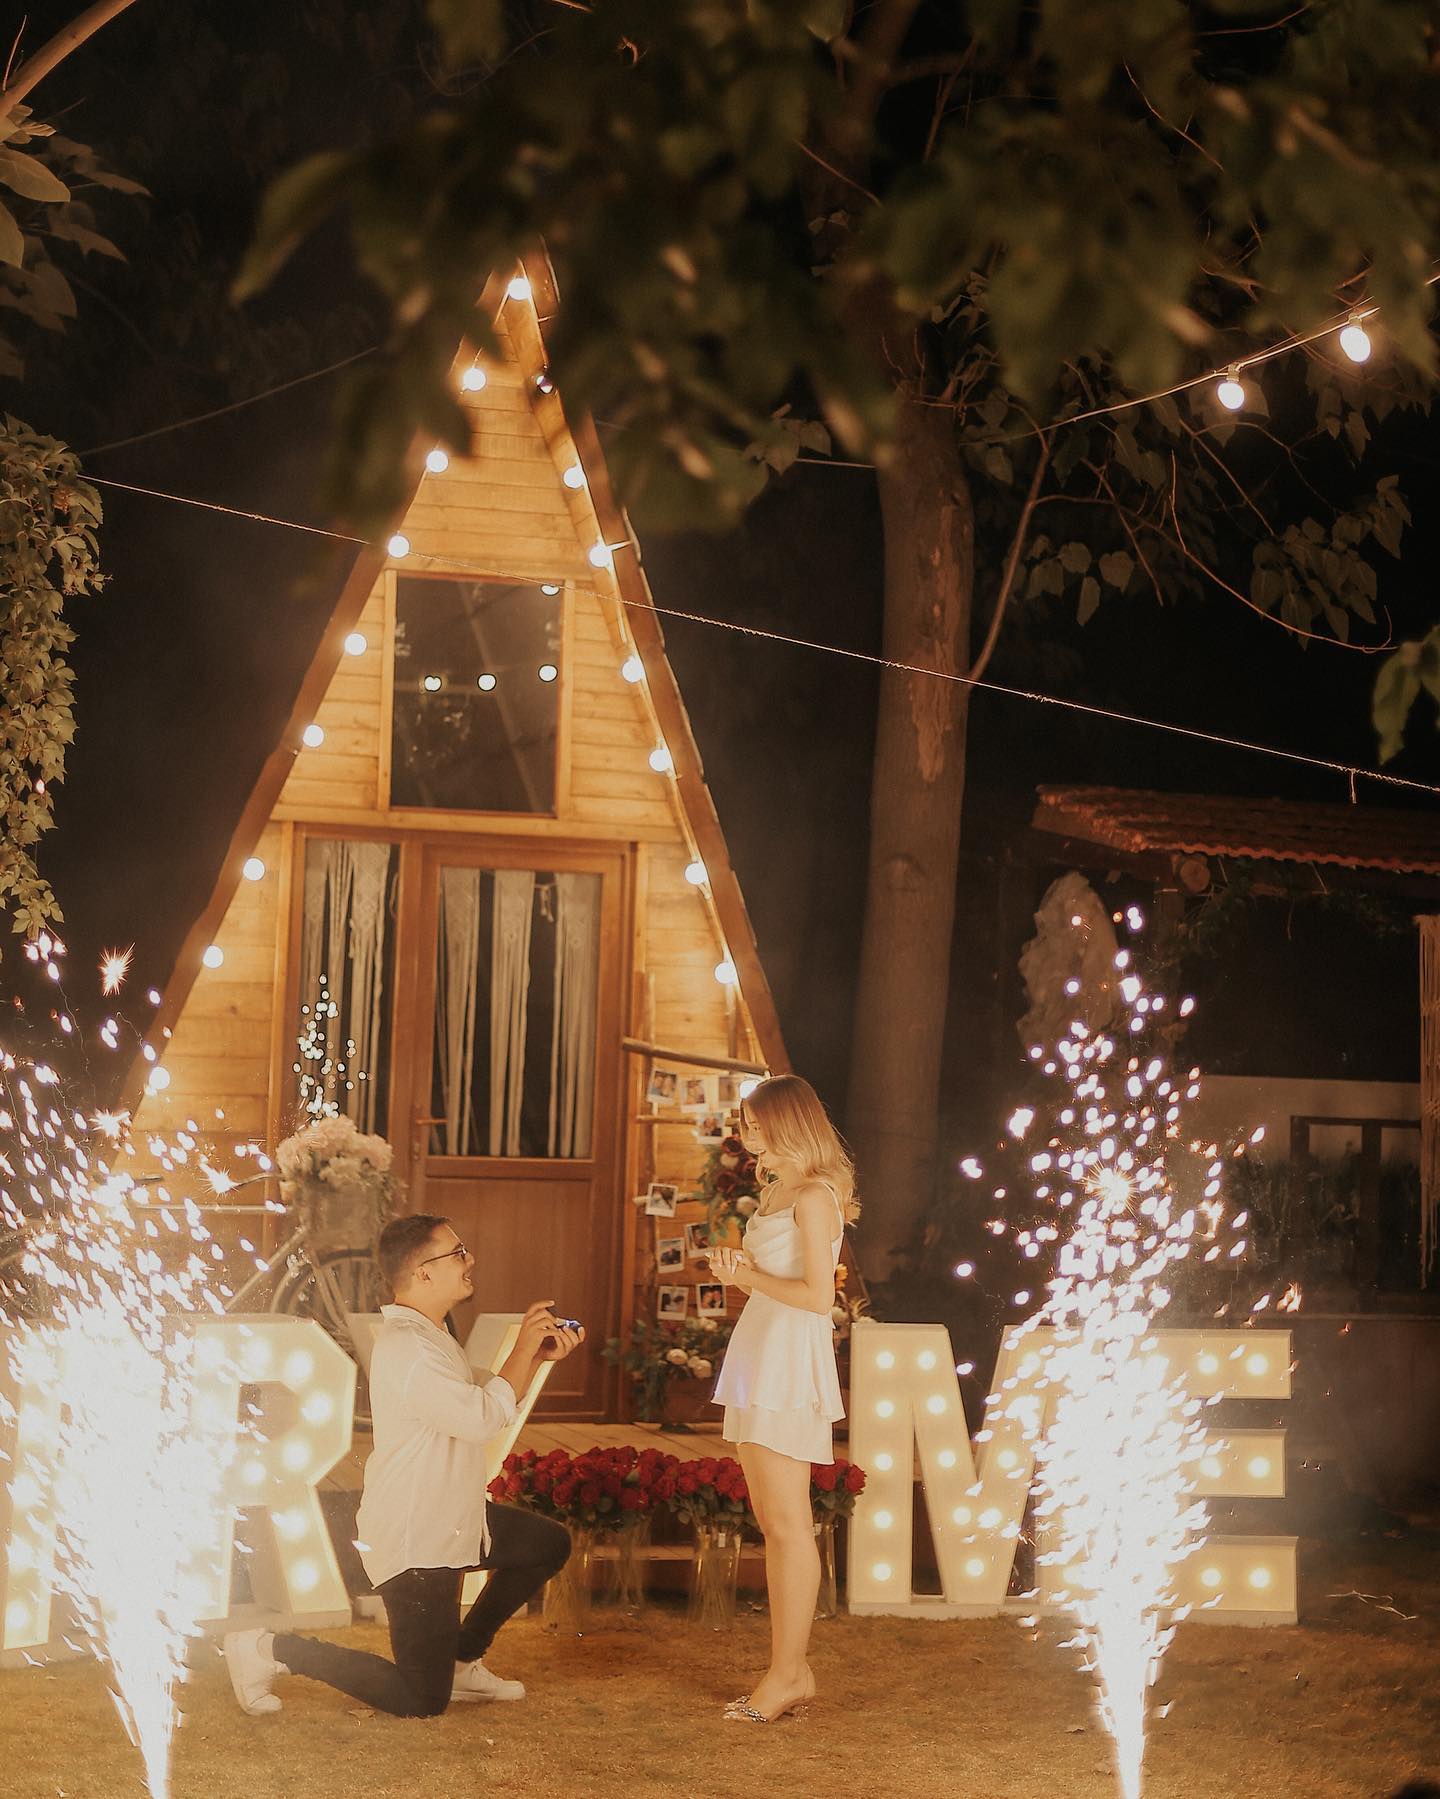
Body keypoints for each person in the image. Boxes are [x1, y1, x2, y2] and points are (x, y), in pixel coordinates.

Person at [224, 1213, 583, 1718]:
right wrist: (523, 1346)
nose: (470, 1260)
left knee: (547, 1543)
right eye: (458, 1253)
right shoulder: (409, 1348)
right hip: (419, 1541)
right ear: (423, 1274)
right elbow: (482, 1418)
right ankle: (269, 1649)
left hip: (455, 1519)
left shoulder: (429, 1337)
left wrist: (535, 1358)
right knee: (419, 1699)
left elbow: (480, 1401)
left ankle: (462, 1660)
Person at [710, 1073, 856, 1724]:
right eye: (745, 1124)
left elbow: (819, 1299)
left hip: (788, 1364)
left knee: (790, 1525)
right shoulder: (777, 1189)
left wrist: (749, 1276)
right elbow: (775, 1285)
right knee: (774, 1523)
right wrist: (741, 1279)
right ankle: (789, 1668)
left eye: (755, 1123)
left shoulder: (815, 1197)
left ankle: (788, 1673)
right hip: (759, 1352)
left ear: (787, 1122)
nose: (747, 1135)